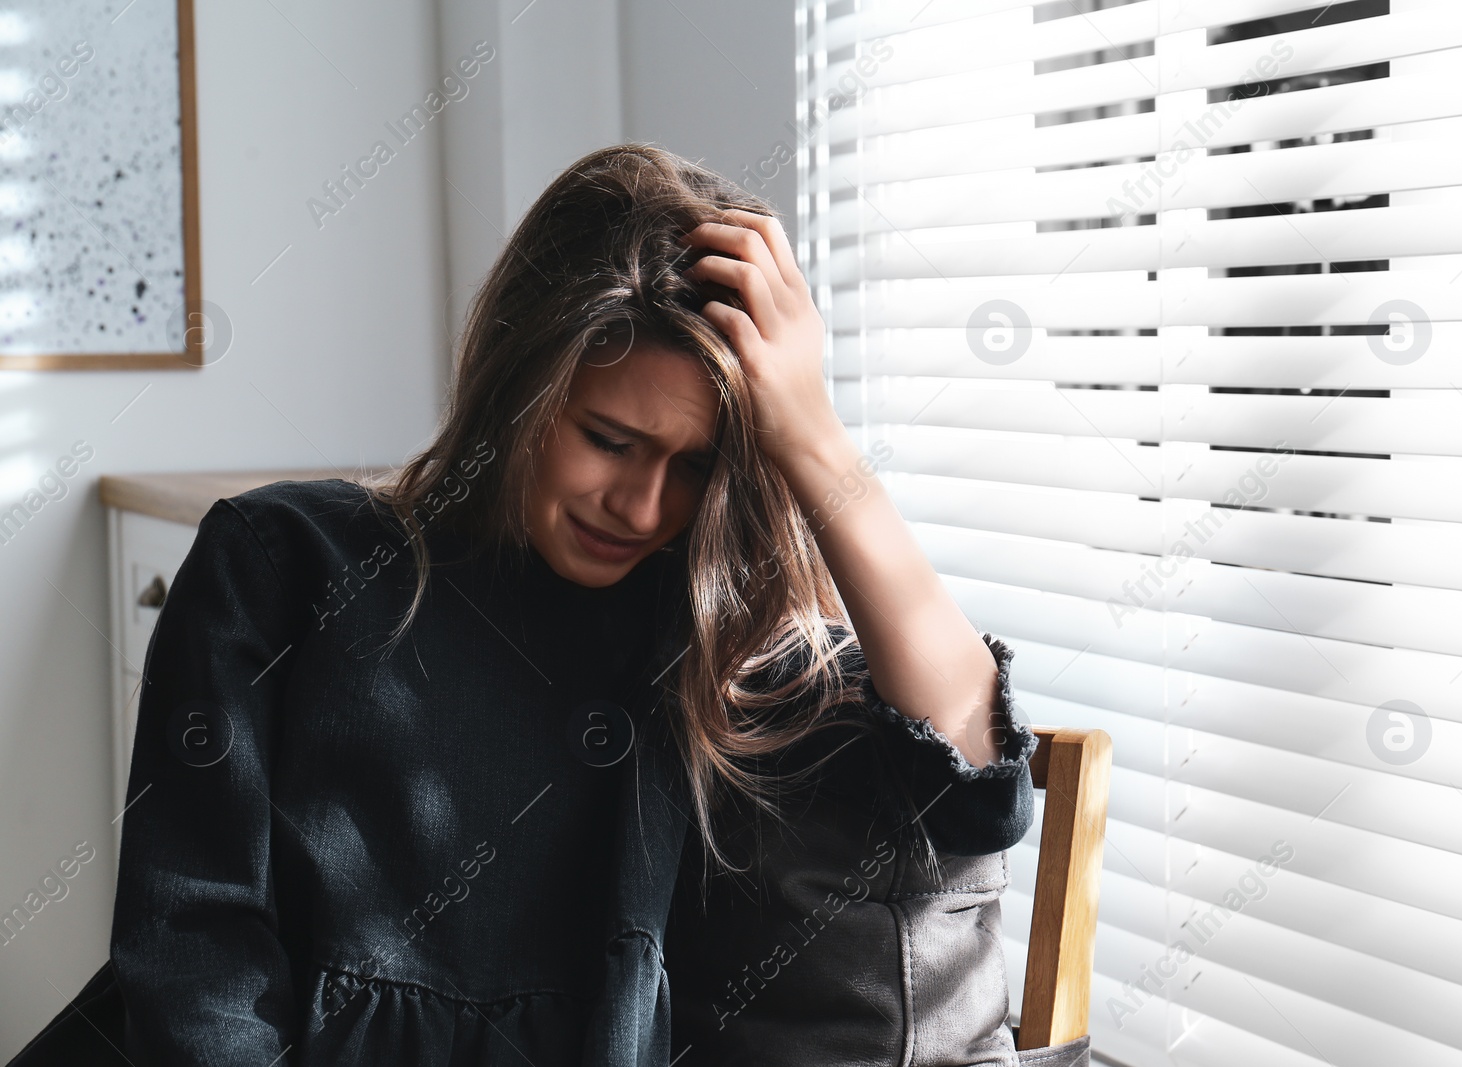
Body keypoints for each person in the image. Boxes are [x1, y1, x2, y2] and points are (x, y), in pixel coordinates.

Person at [7, 144, 1080, 1067]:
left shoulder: (704, 633)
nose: (641, 503)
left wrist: (811, 433)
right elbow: (197, 951)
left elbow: (970, 783)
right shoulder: (282, 562)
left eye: (694, 465)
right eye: (607, 439)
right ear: (518, 384)